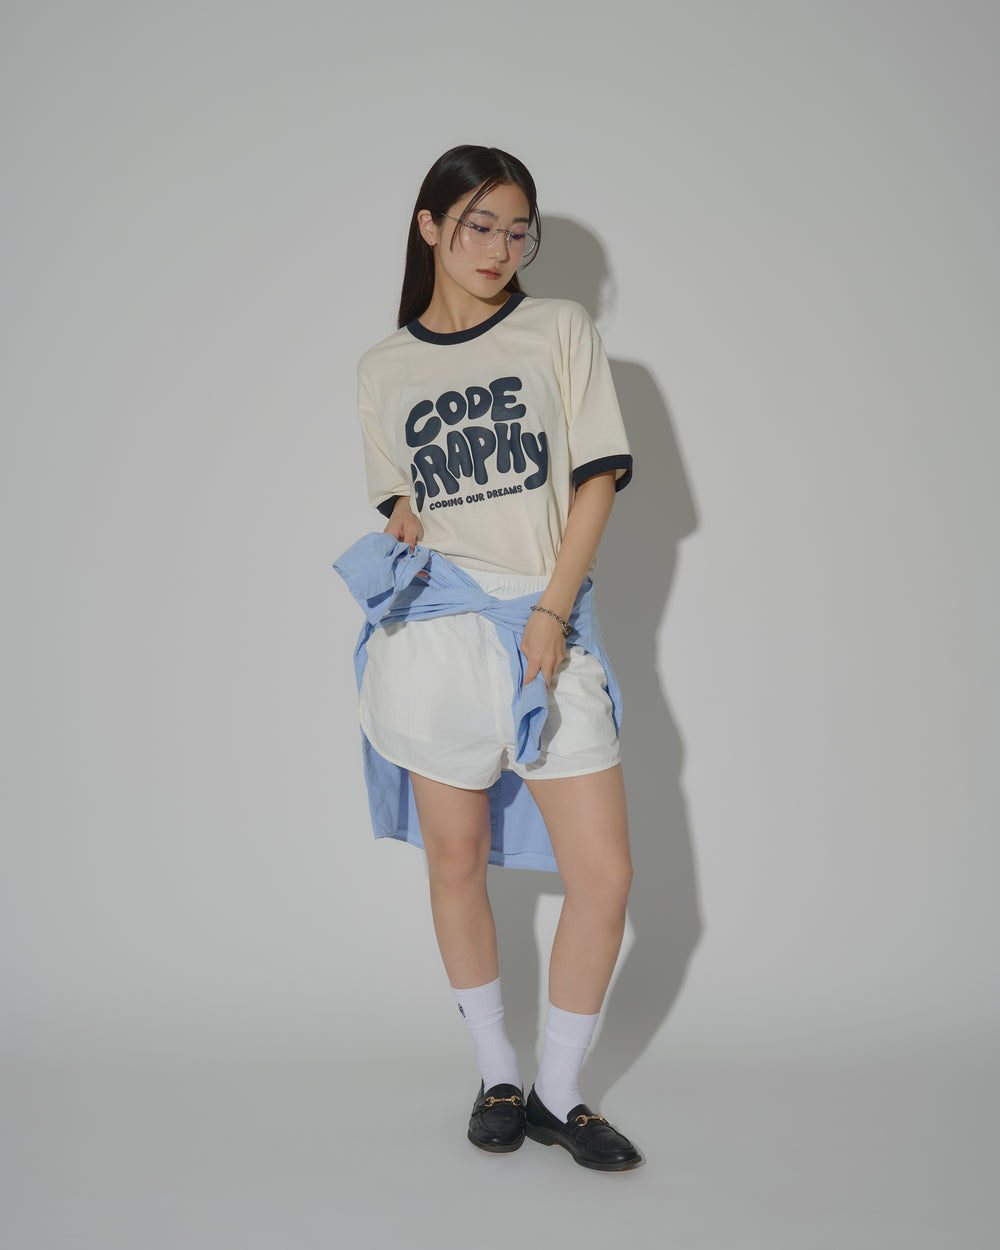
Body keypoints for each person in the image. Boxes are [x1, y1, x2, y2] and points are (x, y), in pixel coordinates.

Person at [339, 145, 641, 1171]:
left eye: (518, 230)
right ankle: (498, 1072)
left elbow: (595, 481)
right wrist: (399, 537)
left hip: (543, 626)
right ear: (430, 226)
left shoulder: (559, 329)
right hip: (435, 636)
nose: (501, 247)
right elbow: (406, 505)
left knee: (605, 874)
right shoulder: (384, 367)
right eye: (480, 225)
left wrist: (551, 612)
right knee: (457, 859)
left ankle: (561, 1091)